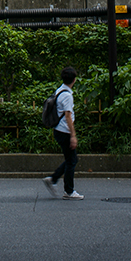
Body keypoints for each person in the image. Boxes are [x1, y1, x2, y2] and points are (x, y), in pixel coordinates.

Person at [42, 66, 84, 200]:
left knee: (71, 159)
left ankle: (53, 179)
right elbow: (67, 116)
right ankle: (69, 191)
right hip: (64, 131)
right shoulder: (67, 96)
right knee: (72, 161)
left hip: (58, 130)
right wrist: (73, 135)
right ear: (74, 79)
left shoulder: (60, 91)